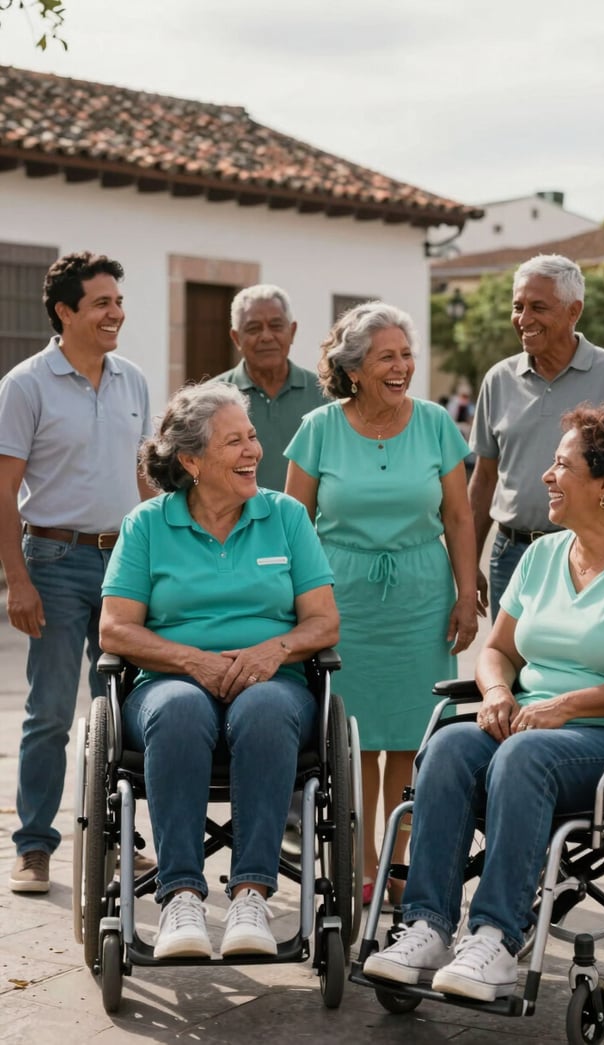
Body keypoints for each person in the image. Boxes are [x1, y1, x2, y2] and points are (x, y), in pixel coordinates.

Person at [364, 407, 604, 1002]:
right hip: (531, 723)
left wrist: (568, 705)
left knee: (524, 757)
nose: (546, 476)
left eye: (562, 465)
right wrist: (495, 691)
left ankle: (496, 936)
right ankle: (426, 927)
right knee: (447, 744)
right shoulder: (544, 556)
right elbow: (496, 651)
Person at [99, 383, 338, 959]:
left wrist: (272, 652)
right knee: (179, 709)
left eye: (252, 436)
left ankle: (251, 895)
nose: (253, 450)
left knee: (265, 708)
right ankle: (180, 895)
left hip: (275, 684)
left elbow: (324, 624)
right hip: (169, 685)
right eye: (235, 441)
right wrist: (192, 661)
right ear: (191, 460)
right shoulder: (148, 525)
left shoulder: (285, 516)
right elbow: (114, 630)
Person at [284, 302, 479, 906]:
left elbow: (457, 514)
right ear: (356, 368)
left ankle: (397, 860)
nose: (402, 367)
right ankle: (360, 860)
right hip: (342, 598)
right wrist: (294, 607)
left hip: (422, 595)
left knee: (410, 737)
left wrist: (467, 595)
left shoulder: (435, 423)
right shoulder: (318, 428)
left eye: (406, 355)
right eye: (386, 357)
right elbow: (292, 523)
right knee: (354, 738)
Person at [0, 251, 153, 894]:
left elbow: (148, 483)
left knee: (123, 709)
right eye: (101, 303)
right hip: (54, 563)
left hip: (124, 563)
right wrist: (18, 580)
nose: (116, 313)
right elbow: (4, 490)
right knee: (51, 713)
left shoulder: (135, 381)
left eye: (118, 301)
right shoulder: (25, 384)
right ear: (65, 312)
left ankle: (122, 841)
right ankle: (35, 846)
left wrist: (160, 566)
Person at [468, 254, 604, 620]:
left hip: (593, 555)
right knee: (507, 668)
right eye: (518, 307)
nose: (523, 320)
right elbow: (485, 477)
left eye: (538, 307)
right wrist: (467, 564)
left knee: (582, 670)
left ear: (574, 312)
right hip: (511, 555)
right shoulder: (498, 379)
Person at [215, 284, 325, 491]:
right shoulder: (213, 399)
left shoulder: (325, 395)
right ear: (236, 338)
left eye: (276, 326)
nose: (266, 336)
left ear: (292, 332)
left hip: (304, 522)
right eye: (254, 328)